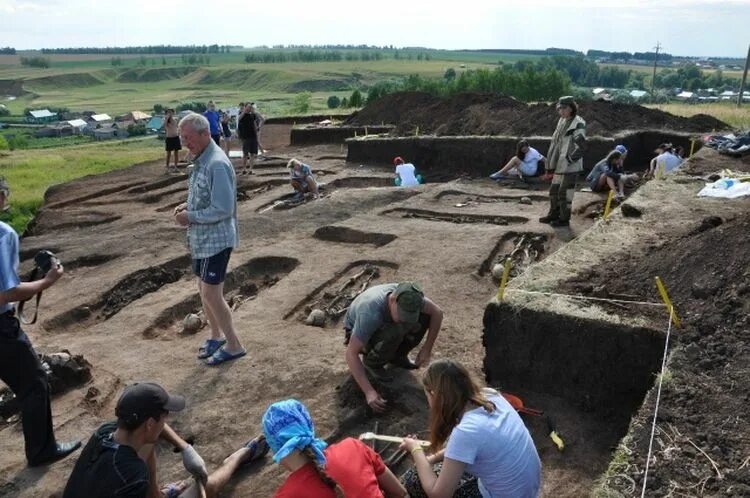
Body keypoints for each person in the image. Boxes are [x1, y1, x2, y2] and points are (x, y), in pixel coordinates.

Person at [0, 176, 82, 467]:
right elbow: (5, 293)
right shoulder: (3, 234)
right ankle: (41, 451)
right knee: (34, 383)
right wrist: (47, 281)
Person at [63, 382, 266, 498]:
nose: (167, 420)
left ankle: (157, 495)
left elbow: (153, 432)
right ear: (150, 423)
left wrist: (184, 447)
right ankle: (238, 458)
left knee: (147, 443)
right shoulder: (131, 475)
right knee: (205, 488)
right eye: (165, 415)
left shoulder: (106, 432)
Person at [399, 359, 542, 498]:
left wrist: (416, 450)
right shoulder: (491, 395)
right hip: (525, 490)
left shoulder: (466, 431)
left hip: (504, 494)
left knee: (414, 481)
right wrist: (431, 459)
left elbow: (439, 495)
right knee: (429, 470)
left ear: (433, 394)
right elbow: (469, 446)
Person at [173, 113, 245, 366]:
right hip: (202, 240)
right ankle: (216, 336)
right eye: (182, 137)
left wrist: (190, 216)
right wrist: (187, 206)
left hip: (216, 240)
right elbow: (206, 197)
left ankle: (234, 344)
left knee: (212, 294)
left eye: (188, 137)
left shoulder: (216, 163)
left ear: (205, 134)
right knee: (203, 291)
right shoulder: (202, 159)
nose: (184, 143)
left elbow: (223, 208)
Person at [263, 399, 407, 498]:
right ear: (308, 425)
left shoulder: (288, 494)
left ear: (276, 448)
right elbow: (399, 493)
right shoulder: (353, 447)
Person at [344, 282, 444, 413]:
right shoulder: (371, 313)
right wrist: (369, 392)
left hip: (384, 324)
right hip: (359, 333)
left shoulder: (411, 298)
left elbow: (437, 312)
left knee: (421, 318)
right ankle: (373, 363)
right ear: (392, 300)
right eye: (402, 313)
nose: (405, 318)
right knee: (396, 330)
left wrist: (427, 348)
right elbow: (351, 353)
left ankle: (398, 356)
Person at [539, 96, 587, 227]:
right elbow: (556, 143)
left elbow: (582, 147)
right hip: (559, 165)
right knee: (554, 191)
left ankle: (564, 220)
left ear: (571, 108)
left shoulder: (578, 123)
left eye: (564, 108)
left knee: (565, 194)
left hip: (570, 166)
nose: (561, 111)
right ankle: (553, 215)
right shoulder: (562, 121)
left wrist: (570, 160)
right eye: (559, 108)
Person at [237, 103, 259, 175]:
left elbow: (255, 125)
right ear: (245, 107)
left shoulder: (253, 115)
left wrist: (257, 135)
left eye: (250, 107)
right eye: (248, 107)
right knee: (245, 154)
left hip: (253, 136)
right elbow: (239, 119)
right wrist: (244, 111)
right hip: (246, 137)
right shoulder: (242, 114)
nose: (249, 108)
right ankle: (244, 169)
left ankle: (250, 169)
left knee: (252, 154)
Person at [164, 108, 181, 173]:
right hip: (169, 138)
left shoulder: (175, 120)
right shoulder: (166, 120)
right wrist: (167, 118)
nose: (170, 114)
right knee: (168, 153)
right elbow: (165, 125)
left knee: (176, 153)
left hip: (176, 137)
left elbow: (177, 127)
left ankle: (176, 167)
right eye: (168, 112)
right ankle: (167, 167)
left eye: (171, 112)